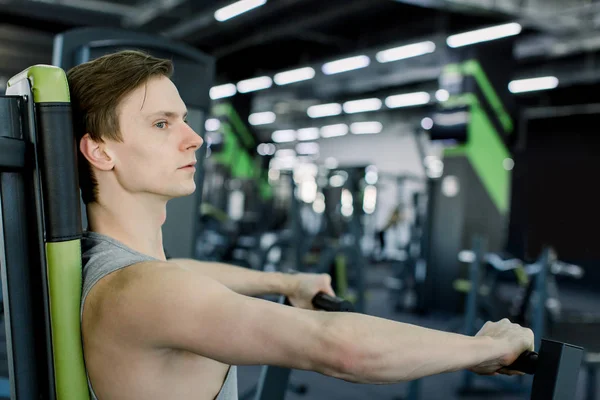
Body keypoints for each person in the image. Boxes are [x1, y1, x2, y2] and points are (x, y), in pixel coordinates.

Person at [67, 50, 534, 400]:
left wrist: (286, 281)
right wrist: (481, 349)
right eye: (162, 124)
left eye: (185, 121)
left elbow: (190, 273)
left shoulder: (113, 264)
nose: (193, 139)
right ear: (101, 151)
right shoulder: (144, 289)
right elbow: (339, 348)